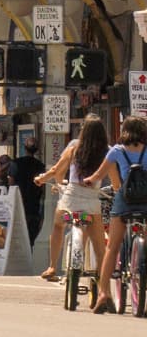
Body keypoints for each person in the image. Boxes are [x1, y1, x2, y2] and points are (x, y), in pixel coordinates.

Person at [83, 115, 147, 313]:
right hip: (145, 200)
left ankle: (104, 294)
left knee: (112, 247)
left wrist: (88, 180)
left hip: (124, 200)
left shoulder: (116, 151)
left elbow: (98, 176)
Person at [36, 116, 110, 282]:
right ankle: (101, 279)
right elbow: (114, 179)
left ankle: (52, 266)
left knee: (57, 225)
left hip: (70, 201)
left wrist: (45, 180)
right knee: (99, 245)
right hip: (91, 204)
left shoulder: (74, 148)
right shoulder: (107, 152)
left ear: (83, 131)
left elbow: (57, 169)